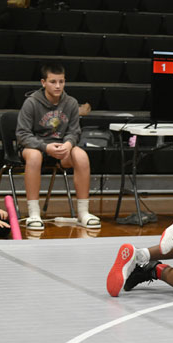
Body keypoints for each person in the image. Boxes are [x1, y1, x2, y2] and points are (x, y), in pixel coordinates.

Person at [15, 62, 100, 230]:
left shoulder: (71, 103)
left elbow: (74, 132)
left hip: (61, 148)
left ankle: (83, 213)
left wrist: (68, 144)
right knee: (34, 156)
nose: (58, 86)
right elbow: (22, 134)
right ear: (43, 82)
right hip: (35, 147)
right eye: (53, 82)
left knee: (81, 155)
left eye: (61, 81)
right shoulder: (31, 103)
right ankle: (34, 213)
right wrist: (44, 147)